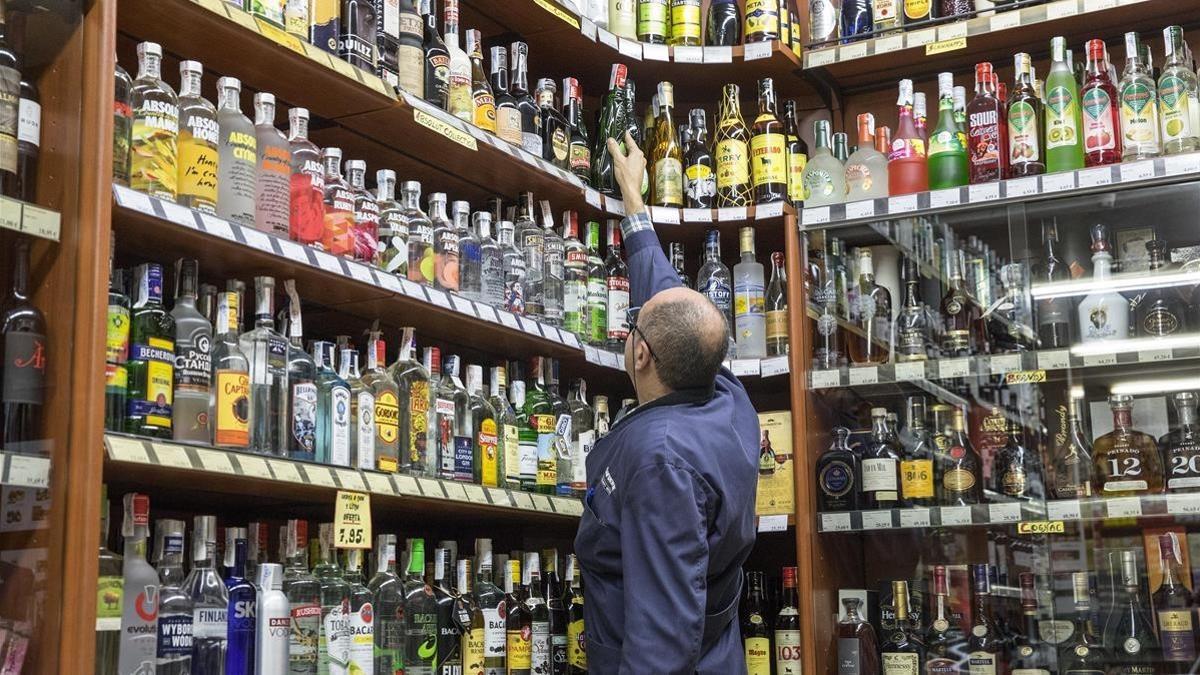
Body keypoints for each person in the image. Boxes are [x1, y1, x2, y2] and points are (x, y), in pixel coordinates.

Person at [573, 131, 760, 673]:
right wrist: (634, 202)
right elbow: (675, 308)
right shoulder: (727, 394)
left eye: (633, 329)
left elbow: (663, 639)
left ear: (641, 357)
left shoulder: (661, 465)